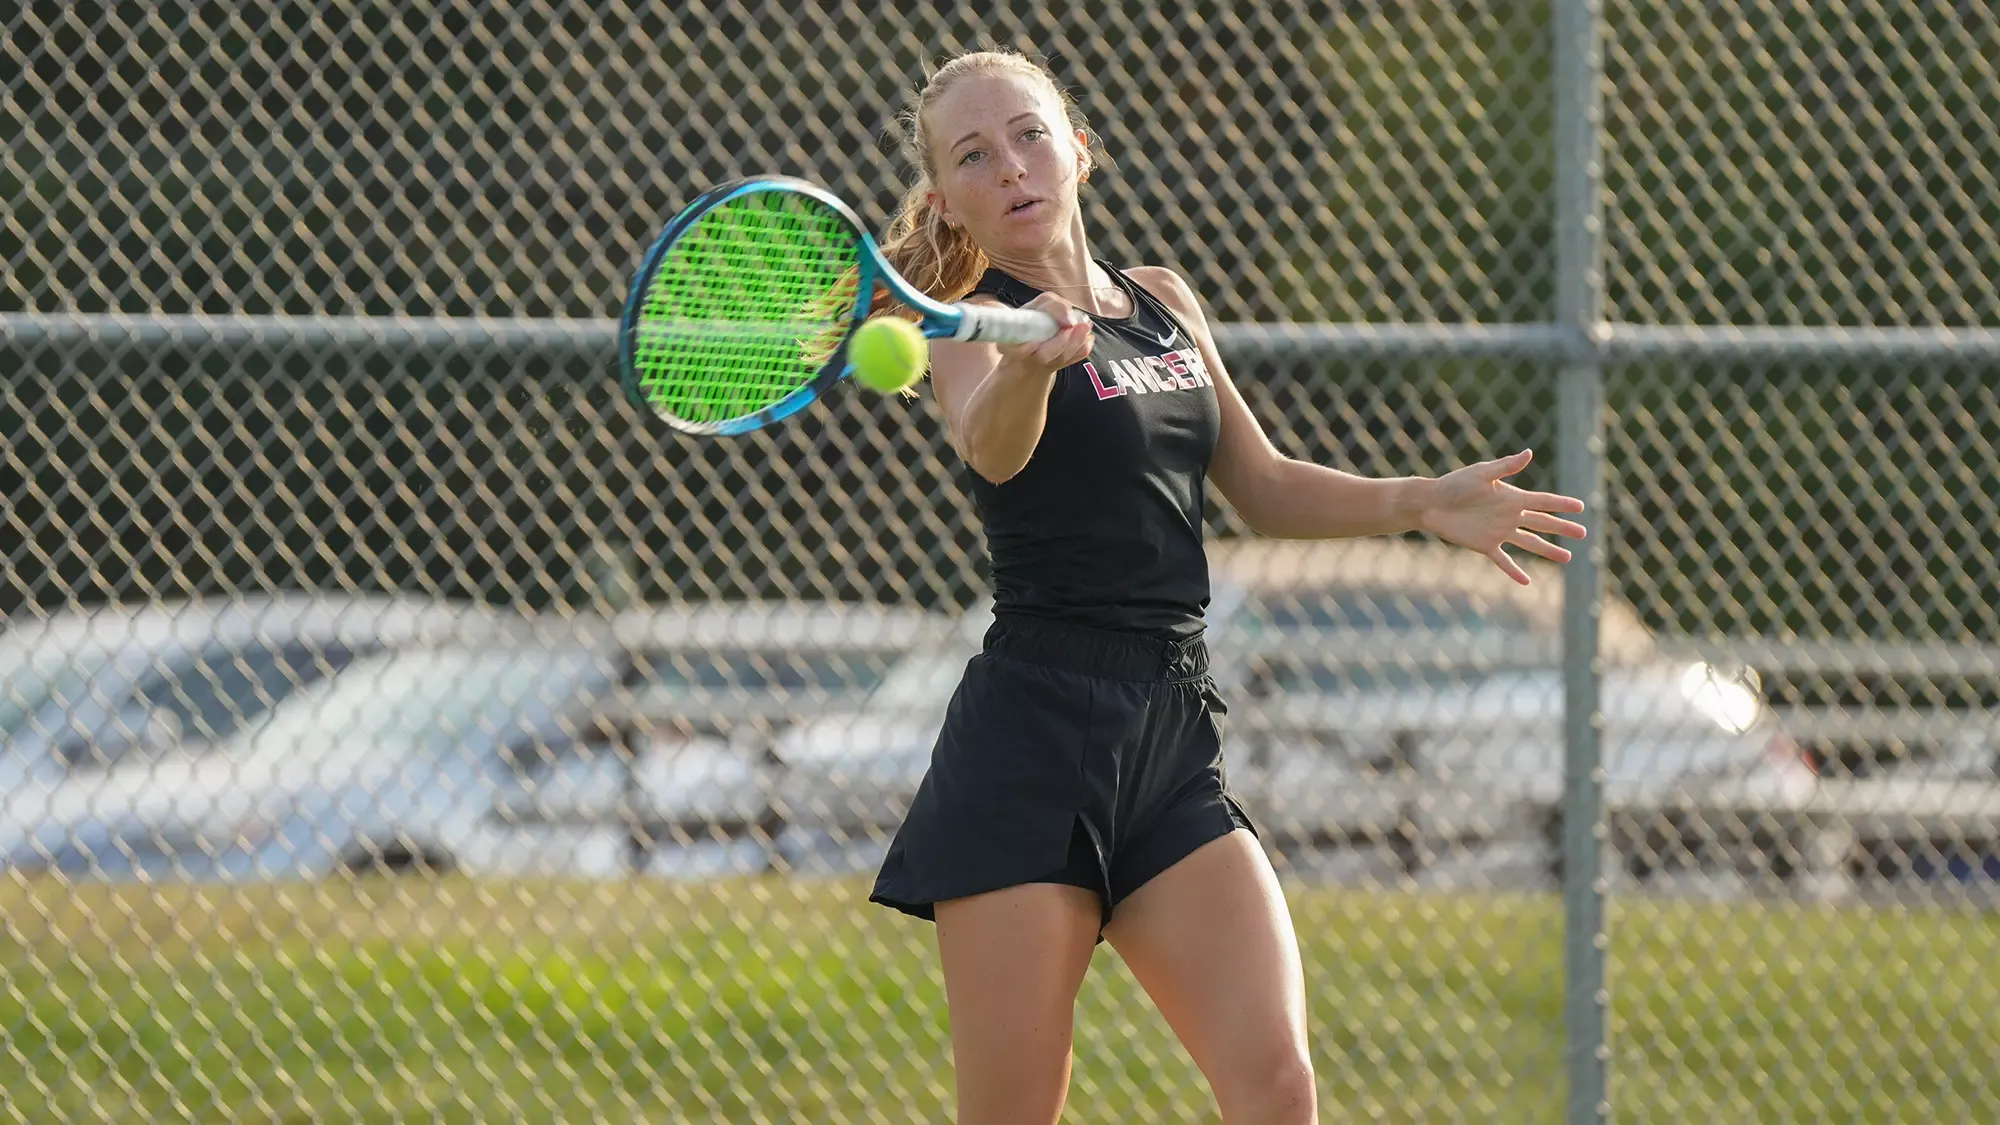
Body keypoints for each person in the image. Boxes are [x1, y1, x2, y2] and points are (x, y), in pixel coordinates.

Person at [865, 49, 1588, 1125]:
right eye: (973, 155)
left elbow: (1261, 485)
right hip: (1027, 744)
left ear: (1077, 149)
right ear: (948, 199)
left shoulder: (1160, 302)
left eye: (1025, 135)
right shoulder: (960, 316)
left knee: (1276, 1086)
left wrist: (1420, 500)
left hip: (1168, 738)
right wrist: (1026, 368)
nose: (1009, 165)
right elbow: (991, 452)